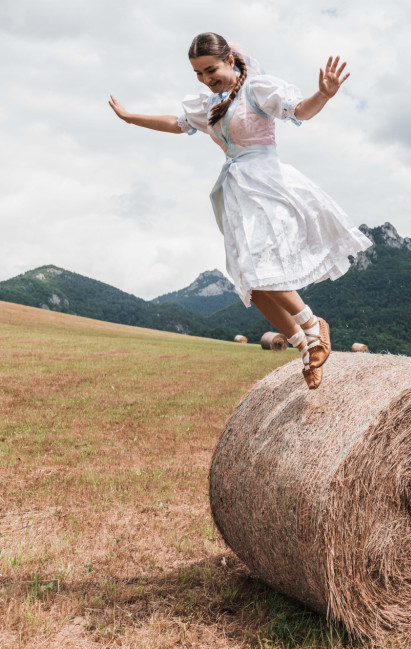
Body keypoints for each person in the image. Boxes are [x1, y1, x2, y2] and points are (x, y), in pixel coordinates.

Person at [109, 32, 372, 390]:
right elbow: (176, 123)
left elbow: (299, 111)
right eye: (198, 74)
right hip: (236, 192)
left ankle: (314, 327)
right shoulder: (209, 105)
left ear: (230, 60)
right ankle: (303, 345)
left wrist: (323, 95)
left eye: (210, 69)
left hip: (267, 185)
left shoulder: (257, 90)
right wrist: (129, 118)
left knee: (263, 267)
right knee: (251, 283)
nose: (205, 79)